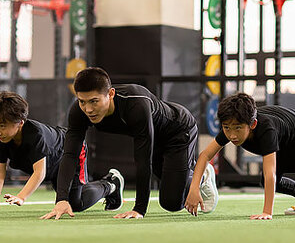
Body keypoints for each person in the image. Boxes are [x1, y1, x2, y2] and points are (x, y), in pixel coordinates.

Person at [41, 67, 218, 221]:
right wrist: (61, 200)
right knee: (170, 192)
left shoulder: (135, 104)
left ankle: (202, 175)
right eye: (82, 101)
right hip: (153, 137)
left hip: (178, 131)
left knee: (172, 203)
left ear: (110, 94)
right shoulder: (79, 112)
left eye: (94, 101)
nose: (88, 109)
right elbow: (70, 154)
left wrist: (139, 209)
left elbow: (143, 159)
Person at [0, 91, 123, 216]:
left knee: (76, 204)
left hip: (72, 150)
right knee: (67, 201)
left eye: (2, 125)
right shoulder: (2, 139)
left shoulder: (35, 135)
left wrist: (21, 197)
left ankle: (111, 183)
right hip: (53, 163)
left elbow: (39, 172)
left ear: (20, 122)